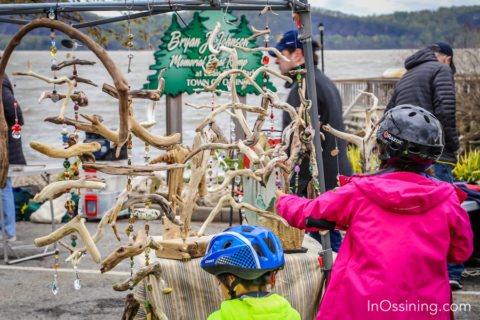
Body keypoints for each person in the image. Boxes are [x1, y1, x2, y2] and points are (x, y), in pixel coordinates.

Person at [275, 105, 473, 319]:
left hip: (359, 307)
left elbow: (309, 213)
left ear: (382, 148)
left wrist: (282, 200)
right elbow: (460, 252)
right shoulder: (448, 200)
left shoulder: (360, 192)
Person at [385, 42, 463, 289]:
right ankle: (450, 271)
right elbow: (445, 111)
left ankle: (415, 268)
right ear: (447, 59)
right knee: (445, 212)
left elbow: (389, 114)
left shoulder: (408, 75)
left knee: (413, 213)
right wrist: (453, 145)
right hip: (433, 151)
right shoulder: (440, 70)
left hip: (405, 157)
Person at [270, 29, 352, 251]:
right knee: (329, 243)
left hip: (318, 183)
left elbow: (301, 142)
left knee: (319, 249)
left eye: (280, 54)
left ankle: (331, 284)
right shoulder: (319, 80)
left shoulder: (306, 87)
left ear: (297, 54)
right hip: (330, 176)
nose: (276, 61)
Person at [201, 225, 300, 320]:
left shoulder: (218, 318)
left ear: (231, 279)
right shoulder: (292, 315)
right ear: (272, 277)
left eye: (220, 283)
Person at [1, 74, 26, 243]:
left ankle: (8, 231)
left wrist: (18, 122)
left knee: (4, 185)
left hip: (4, 144)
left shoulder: (1, 80)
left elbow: (12, 108)